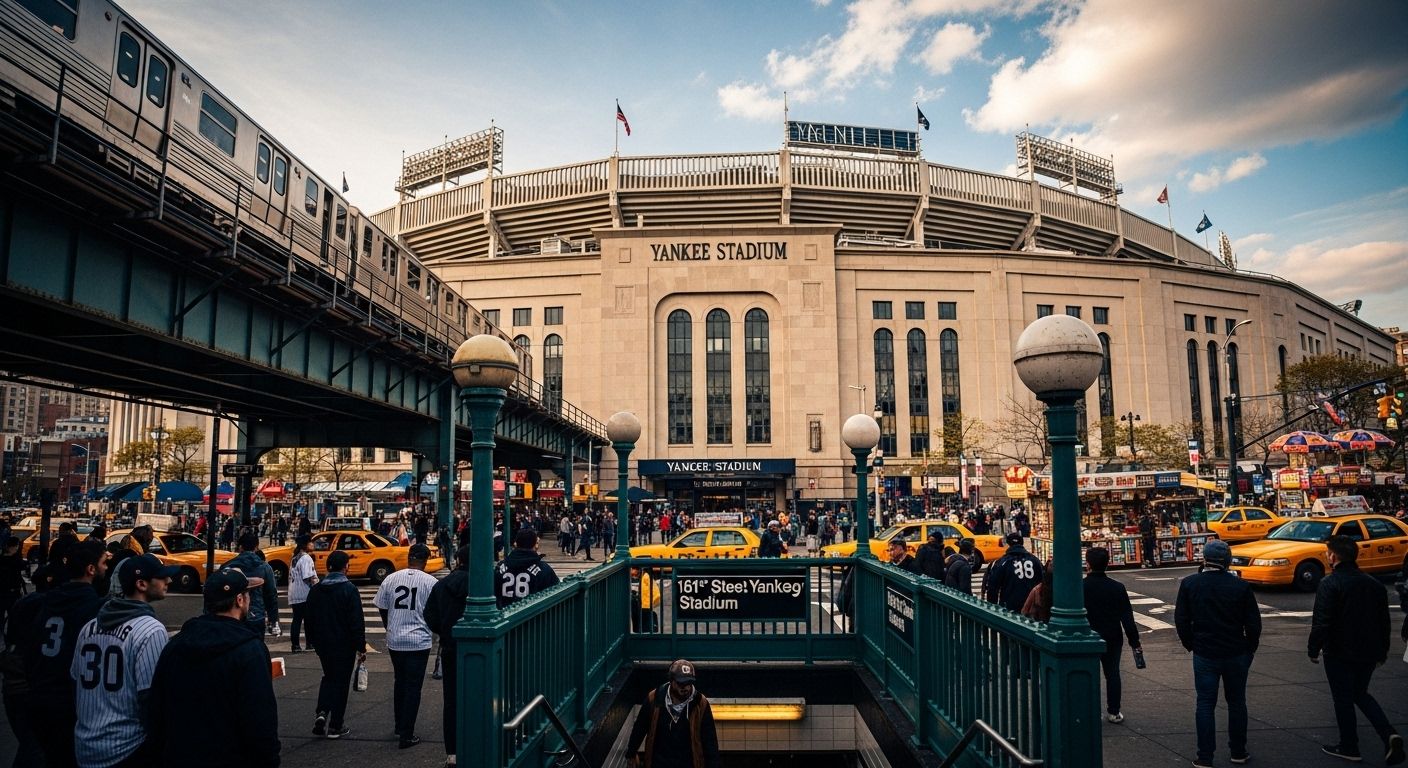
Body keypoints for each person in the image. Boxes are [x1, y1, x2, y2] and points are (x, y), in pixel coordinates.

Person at [149, 569, 279, 767]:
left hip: (180, 755)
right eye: (248, 594)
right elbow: (260, 718)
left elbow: (157, 707)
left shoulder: (176, 645)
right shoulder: (249, 650)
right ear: (239, 600)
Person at [72, 553, 179, 768]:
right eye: (161, 577)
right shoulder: (150, 629)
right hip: (127, 746)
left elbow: (75, 681)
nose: (169, 581)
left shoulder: (89, 627)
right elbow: (150, 698)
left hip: (85, 743)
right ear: (141, 584)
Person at [1308, 535, 1404, 764]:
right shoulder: (1373, 584)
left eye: (1327, 552)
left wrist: (1313, 648)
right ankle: (1388, 732)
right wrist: (1383, 650)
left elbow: (1322, 621)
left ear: (1333, 556)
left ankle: (1349, 745)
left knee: (1342, 698)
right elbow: (1384, 621)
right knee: (1360, 693)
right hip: (1369, 650)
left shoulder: (1329, 583)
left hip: (1339, 650)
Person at [1174, 539, 1259, 768]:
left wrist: (1191, 644)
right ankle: (1238, 751)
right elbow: (1253, 624)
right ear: (1227, 561)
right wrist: (1249, 648)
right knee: (1237, 702)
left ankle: (1205, 756)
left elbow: (1181, 620)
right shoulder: (1240, 586)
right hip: (1235, 650)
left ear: (1204, 559)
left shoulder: (1190, 584)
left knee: (1205, 704)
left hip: (1205, 651)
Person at [22, 538, 106, 767]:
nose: (106, 568)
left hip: (39, 692)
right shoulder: (93, 607)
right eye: (103, 563)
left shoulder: (47, 600)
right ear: (91, 569)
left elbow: (30, 648)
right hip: (68, 700)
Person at [374, 544, 439, 750]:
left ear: (409, 558)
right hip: (419, 640)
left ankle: (398, 725)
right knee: (413, 687)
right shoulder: (431, 582)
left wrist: (390, 626)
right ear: (426, 560)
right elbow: (435, 612)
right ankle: (407, 733)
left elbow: (382, 607)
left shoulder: (391, 578)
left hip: (396, 639)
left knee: (400, 682)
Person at [305, 550, 365, 740]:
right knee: (341, 682)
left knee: (329, 676)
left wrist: (312, 640)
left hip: (323, 643)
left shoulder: (316, 589)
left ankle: (322, 711)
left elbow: (309, 618)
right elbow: (356, 621)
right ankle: (336, 725)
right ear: (345, 566)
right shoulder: (349, 590)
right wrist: (360, 646)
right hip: (344, 643)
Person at [3, 564, 58, 768]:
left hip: (14, 681)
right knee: (34, 747)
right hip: (29, 681)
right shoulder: (47, 606)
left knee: (29, 744)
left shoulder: (24, 602)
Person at [624, 659, 722, 768]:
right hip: (659, 763)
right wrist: (631, 753)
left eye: (688, 683)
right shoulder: (654, 698)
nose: (685, 687)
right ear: (671, 681)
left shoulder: (700, 703)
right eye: (681, 683)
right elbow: (640, 727)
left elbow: (709, 741)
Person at [1083, 547, 1142, 724]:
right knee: (1113, 674)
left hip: (1088, 636)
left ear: (1088, 564)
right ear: (1107, 564)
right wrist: (1134, 641)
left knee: (1088, 674)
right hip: (1112, 636)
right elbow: (1127, 617)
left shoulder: (1081, 587)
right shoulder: (1117, 587)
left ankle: (1090, 710)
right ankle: (1114, 711)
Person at [425, 546, 469, 767]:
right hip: (477, 647)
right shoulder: (484, 583)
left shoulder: (441, 585)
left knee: (451, 700)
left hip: (450, 645)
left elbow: (429, 614)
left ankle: (452, 751)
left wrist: (444, 630)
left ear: (459, 560)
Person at [223, 531, 280, 637]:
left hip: (234, 616)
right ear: (256, 547)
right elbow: (271, 596)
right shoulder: (265, 568)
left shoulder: (228, 567)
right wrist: (273, 621)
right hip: (256, 617)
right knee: (256, 649)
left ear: (240, 547)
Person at [496, 529, 560, 609]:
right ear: (535, 545)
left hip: (503, 616)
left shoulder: (501, 567)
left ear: (516, 544)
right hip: (533, 616)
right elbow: (556, 592)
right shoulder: (543, 568)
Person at [983, 533, 1043, 612]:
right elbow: (1043, 581)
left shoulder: (1002, 562)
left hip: (1009, 606)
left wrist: (993, 608)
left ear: (1008, 545)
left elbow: (992, 588)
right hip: (1031, 606)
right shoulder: (1035, 560)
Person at [288, 535, 317, 653]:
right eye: (311, 542)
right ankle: (309, 643)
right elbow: (307, 576)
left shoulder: (295, 557)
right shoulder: (306, 558)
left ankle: (295, 645)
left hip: (294, 592)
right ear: (306, 545)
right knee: (308, 620)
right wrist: (316, 587)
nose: (313, 545)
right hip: (304, 593)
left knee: (297, 620)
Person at [0, 536, 27, 630]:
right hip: (13, 591)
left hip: (2, 591)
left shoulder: (2, 558)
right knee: (13, 614)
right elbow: (21, 571)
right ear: (16, 546)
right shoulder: (16, 560)